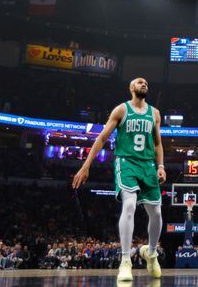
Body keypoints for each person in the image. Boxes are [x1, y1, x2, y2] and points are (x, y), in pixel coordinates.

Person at [73, 78, 166, 281]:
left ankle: (151, 253)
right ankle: (125, 261)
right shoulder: (121, 110)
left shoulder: (155, 113)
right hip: (127, 163)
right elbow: (102, 138)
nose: (145, 84)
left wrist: (160, 166)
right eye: (140, 82)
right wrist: (86, 165)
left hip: (148, 165)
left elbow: (158, 142)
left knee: (156, 212)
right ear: (131, 88)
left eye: (147, 83)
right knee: (130, 205)